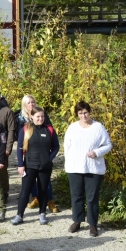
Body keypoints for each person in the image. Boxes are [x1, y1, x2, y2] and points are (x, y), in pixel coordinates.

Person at [64, 101, 112, 237]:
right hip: (75, 168)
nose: (83, 115)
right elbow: (67, 148)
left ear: (89, 112)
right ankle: (77, 221)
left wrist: (97, 152)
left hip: (93, 168)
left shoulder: (98, 127)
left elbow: (108, 145)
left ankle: (92, 224)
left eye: (85, 112)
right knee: (76, 195)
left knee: (92, 197)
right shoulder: (72, 128)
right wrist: (68, 164)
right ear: (77, 114)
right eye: (80, 113)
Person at [12, 107, 59, 226]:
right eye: (38, 116)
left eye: (42, 116)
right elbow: (20, 148)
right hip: (29, 165)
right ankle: (19, 215)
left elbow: (56, 146)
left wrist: (50, 158)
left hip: (45, 166)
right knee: (25, 191)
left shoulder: (49, 129)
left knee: (43, 190)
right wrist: (20, 164)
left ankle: (42, 213)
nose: (40, 119)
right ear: (32, 117)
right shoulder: (26, 129)